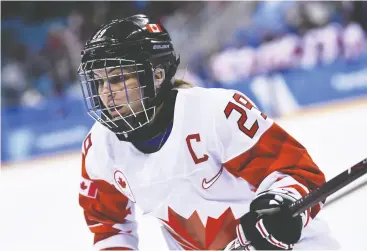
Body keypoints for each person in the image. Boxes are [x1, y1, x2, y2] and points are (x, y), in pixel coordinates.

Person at [77, 14, 339, 250]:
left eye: (116, 79)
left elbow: (299, 172)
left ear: (156, 75)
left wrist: (278, 203)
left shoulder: (216, 112)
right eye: (99, 81)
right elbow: (108, 224)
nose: (105, 95)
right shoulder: (100, 147)